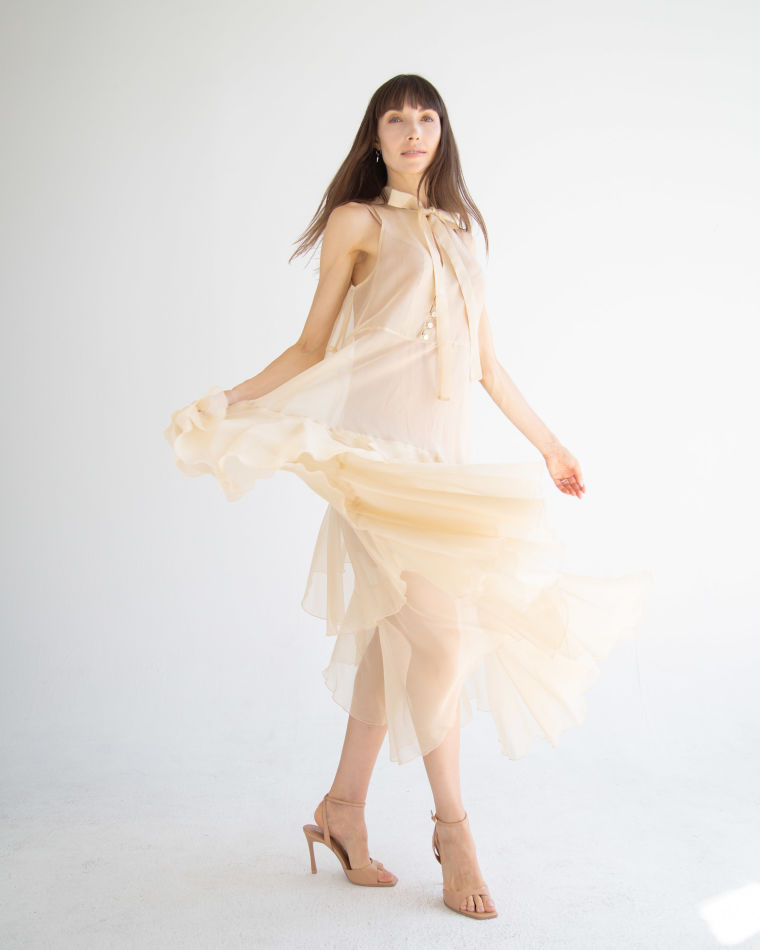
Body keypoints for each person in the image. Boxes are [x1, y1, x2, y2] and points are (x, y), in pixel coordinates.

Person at [164, 74, 652, 921]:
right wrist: (229, 402)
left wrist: (549, 444)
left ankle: (342, 810)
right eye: (397, 119)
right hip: (373, 464)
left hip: (441, 469)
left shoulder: (462, 231)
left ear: (442, 133)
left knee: (400, 643)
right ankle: (454, 829)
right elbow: (312, 346)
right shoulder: (359, 223)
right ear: (376, 136)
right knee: (442, 641)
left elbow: (485, 364)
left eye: (427, 118)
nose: (413, 131)